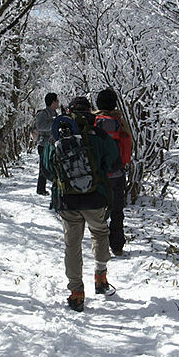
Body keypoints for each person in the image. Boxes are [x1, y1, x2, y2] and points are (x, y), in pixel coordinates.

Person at [43, 96, 119, 312]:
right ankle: (101, 278)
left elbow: (47, 168)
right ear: (90, 111)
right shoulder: (100, 134)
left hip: (68, 202)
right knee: (99, 233)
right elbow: (114, 160)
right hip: (96, 198)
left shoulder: (58, 134)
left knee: (72, 244)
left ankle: (76, 292)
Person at [94, 88, 133, 256]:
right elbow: (127, 151)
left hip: (98, 176)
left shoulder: (93, 122)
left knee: (99, 212)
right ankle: (117, 245)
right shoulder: (121, 123)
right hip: (117, 174)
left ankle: (100, 247)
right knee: (117, 211)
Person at [34, 92, 59, 195]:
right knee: (43, 167)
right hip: (44, 144)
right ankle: (40, 189)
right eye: (57, 101)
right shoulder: (43, 113)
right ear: (52, 102)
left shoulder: (55, 113)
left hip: (52, 144)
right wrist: (54, 125)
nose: (58, 103)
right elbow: (40, 126)